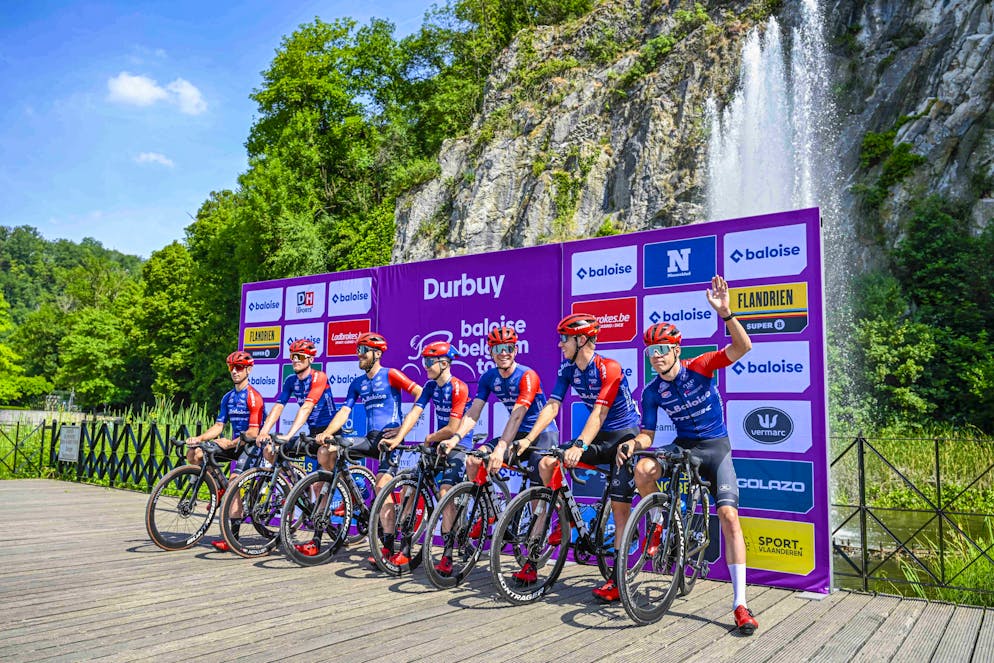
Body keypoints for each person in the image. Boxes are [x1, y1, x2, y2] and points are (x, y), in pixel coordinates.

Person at [621, 274, 759, 634]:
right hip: (683, 446)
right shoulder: (652, 391)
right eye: (651, 352)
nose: (657, 357)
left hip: (716, 449)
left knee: (728, 516)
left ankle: (740, 604)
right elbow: (648, 433)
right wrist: (633, 445)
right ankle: (658, 523)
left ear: (676, 351)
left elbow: (743, 348)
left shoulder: (701, 367)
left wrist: (726, 314)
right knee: (644, 469)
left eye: (663, 350)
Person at [523, 313, 641, 598]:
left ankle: (617, 579)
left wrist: (579, 445)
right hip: (598, 437)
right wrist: (528, 438)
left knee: (619, 507)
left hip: (623, 435)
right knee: (549, 462)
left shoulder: (609, 368)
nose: (560, 344)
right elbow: (552, 406)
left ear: (582, 339)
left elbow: (600, 412)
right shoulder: (567, 369)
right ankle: (564, 524)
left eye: (565, 339)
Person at [313, 332, 422, 563]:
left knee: (383, 486)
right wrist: (327, 433)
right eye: (358, 350)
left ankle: (388, 547)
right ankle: (353, 492)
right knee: (327, 452)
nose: (358, 354)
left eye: (363, 350)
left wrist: (403, 429)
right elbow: (344, 412)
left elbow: (420, 395)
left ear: (377, 353)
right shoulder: (358, 383)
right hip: (370, 438)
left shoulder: (391, 374)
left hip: (389, 440)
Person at [450, 327, 559, 543]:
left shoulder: (527, 375)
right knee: (473, 460)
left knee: (537, 493)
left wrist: (501, 447)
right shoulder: (489, 377)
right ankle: (489, 511)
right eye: (498, 348)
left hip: (542, 433)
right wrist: (455, 437)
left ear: (515, 350)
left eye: (508, 348)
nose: (503, 352)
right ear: (490, 352)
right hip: (517, 434)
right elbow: (473, 413)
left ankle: (537, 547)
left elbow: (518, 415)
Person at [387, 341, 470, 573]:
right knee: (410, 488)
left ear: (444, 364)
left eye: (428, 362)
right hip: (437, 441)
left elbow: (453, 428)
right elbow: (415, 411)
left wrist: (430, 438)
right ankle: (404, 550)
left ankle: (447, 554)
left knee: (445, 493)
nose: (424, 366)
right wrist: (399, 437)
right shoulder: (431, 386)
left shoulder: (458, 387)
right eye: (423, 361)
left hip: (458, 443)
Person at [185, 350, 266, 552]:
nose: (235, 371)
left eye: (239, 367)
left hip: (250, 446)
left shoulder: (253, 397)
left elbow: (254, 432)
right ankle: (218, 488)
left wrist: (231, 444)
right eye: (232, 367)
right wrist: (200, 438)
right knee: (195, 454)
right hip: (234, 444)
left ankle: (233, 539)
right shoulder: (228, 397)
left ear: (248, 369)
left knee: (233, 483)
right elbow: (219, 426)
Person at [256, 338, 337, 460]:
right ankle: (288, 477)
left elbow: (307, 408)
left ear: (311, 359)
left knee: (321, 476)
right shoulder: (290, 381)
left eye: (300, 356)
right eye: (293, 356)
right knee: (270, 450)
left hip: (330, 433)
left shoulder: (319, 377)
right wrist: (264, 431)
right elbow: (278, 406)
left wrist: (289, 435)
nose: (295, 360)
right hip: (313, 433)